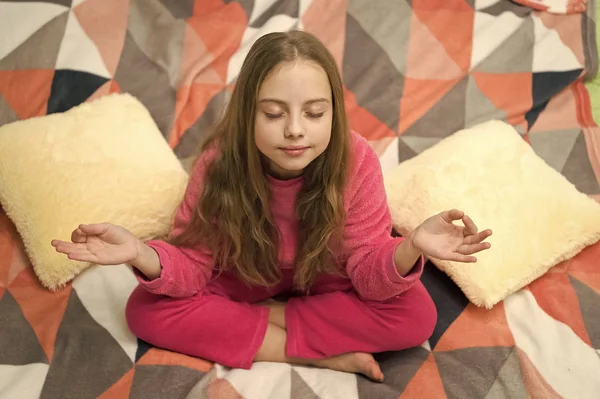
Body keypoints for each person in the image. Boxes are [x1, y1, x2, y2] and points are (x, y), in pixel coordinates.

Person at [51, 30, 492, 382]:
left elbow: (368, 273)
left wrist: (409, 246)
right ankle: (314, 356)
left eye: (315, 113)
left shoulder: (357, 162)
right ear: (248, 113)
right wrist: (141, 253)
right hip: (242, 276)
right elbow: (193, 266)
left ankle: (267, 320)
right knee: (145, 309)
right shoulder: (219, 163)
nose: (295, 130)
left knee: (416, 316)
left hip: (328, 279)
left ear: (334, 113)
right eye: (274, 113)